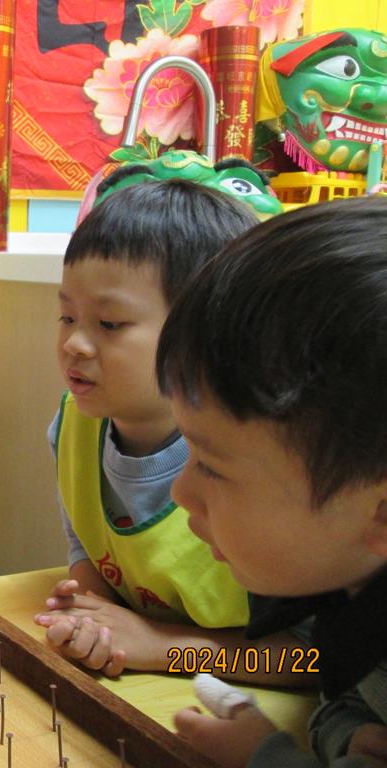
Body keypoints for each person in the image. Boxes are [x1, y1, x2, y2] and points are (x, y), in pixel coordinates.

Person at [34, 179, 308, 680]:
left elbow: (313, 660)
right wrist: (93, 616)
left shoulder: (262, 464)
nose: (74, 343)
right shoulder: (73, 425)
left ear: (205, 332)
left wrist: (164, 648)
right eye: (67, 316)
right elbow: (86, 548)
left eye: (109, 324)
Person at [155, 196, 387, 767]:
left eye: (211, 465)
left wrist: (265, 756)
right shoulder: (345, 580)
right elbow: (340, 693)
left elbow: (299, 664)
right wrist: (348, 734)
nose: (179, 492)